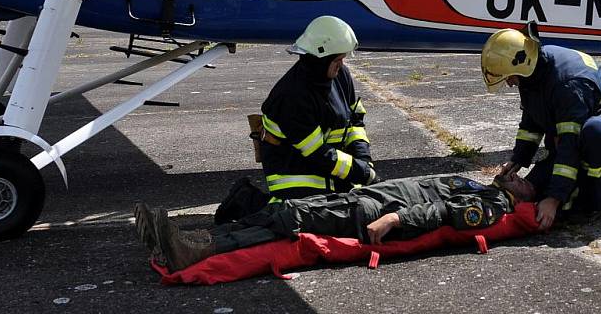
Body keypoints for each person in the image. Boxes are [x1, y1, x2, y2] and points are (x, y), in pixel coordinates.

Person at [135, 171, 535, 272]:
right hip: (366, 200)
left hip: (370, 214)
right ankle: (189, 239)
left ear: (523, 196)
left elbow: (446, 215)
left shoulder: (493, 202)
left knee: (286, 216)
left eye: (522, 179)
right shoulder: (480, 185)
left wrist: (396, 218)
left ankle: (194, 248)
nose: (513, 173)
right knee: (279, 214)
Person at [480, 24, 601, 231]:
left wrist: (554, 199)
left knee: (593, 139)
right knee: (539, 187)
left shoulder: (568, 83)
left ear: (521, 64)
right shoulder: (533, 73)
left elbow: (570, 143)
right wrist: (519, 159)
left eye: (509, 77)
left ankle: (597, 201)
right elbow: (532, 121)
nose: (509, 84)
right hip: (583, 131)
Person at [215, 15, 376, 223]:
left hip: (327, 167)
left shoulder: (339, 76)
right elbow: (317, 152)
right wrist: (358, 172)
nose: (341, 65)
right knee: (307, 220)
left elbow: (355, 120)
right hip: (295, 171)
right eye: (337, 60)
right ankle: (245, 200)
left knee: (348, 210)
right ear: (320, 58)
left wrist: (363, 158)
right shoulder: (292, 95)